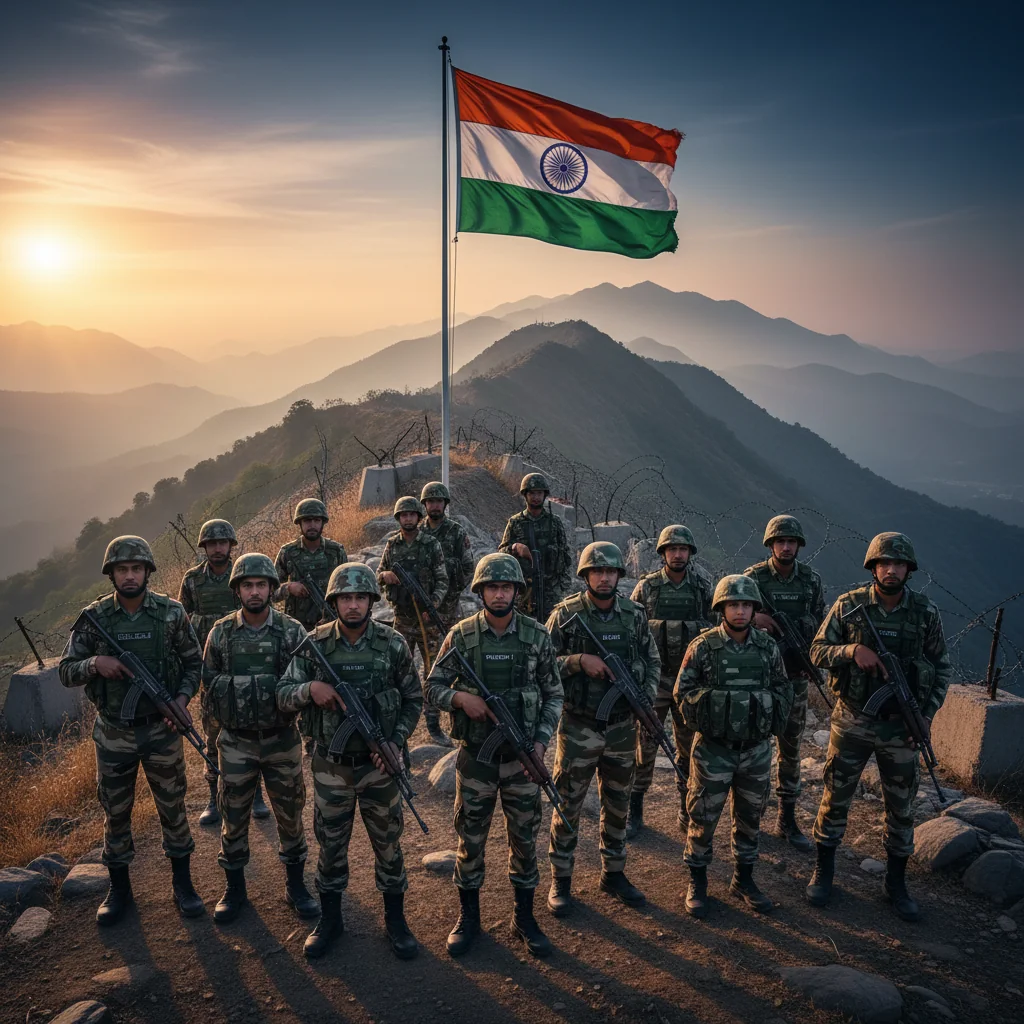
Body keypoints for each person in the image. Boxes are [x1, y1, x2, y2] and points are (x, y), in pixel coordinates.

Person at [278, 562, 423, 960]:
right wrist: (312, 688)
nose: (354, 605)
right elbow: (283, 693)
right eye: (346, 598)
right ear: (335, 601)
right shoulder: (315, 644)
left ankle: (396, 921)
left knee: (388, 843)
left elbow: (414, 698)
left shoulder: (391, 644)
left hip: (381, 766)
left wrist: (395, 741)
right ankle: (330, 920)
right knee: (330, 843)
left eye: (361, 597)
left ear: (372, 601)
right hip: (332, 765)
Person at [58, 535, 204, 924]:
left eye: (136, 569)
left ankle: (183, 885)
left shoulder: (171, 613)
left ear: (147, 572)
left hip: (161, 729)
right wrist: (95, 665)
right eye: (122, 570)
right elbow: (65, 671)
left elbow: (194, 665)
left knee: (173, 807)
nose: (129, 576)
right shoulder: (95, 619)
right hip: (114, 733)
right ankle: (119, 889)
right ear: (112, 575)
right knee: (115, 811)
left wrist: (181, 702)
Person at [424, 553, 563, 959]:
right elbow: (431, 687)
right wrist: (459, 698)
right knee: (470, 838)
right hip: (476, 761)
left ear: (517, 592)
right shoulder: (461, 636)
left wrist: (539, 742)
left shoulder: (537, 636)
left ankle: (525, 918)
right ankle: (469, 918)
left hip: (522, 760)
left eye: (507, 588)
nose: (499, 594)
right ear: (481, 591)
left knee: (524, 839)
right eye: (492, 587)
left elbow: (554, 694)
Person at [807, 532, 952, 921]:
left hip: (899, 726)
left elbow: (941, 667)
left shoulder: (924, 612)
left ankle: (896, 882)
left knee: (901, 807)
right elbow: (817, 651)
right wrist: (852, 650)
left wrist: (926, 714)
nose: (891, 570)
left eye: (899, 564)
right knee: (835, 796)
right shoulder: (849, 605)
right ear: (873, 567)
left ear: (909, 570)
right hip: (853, 716)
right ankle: (824, 870)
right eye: (884, 563)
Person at [200, 553, 318, 924]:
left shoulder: (292, 631)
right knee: (233, 815)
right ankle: (234, 890)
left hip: (282, 738)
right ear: (237, 590)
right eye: (247, 586)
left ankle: (296, 886)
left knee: (290, 814)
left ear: (272, 588)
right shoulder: (220, 633)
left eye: (261, 585)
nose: (254, 592)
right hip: (235, 741)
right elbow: (208, 687)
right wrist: (215, 735)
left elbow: (307, 683)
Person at [544, 541, 660, 916]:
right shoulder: (565, 615)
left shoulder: (634, 614)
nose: (605, 577)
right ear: (586, 575)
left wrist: (644, 700)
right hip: (578, 725)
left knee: (618, 801)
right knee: (568, 804)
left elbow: (651, 660)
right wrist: (578, 661)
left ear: (619, 576)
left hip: (622, 726)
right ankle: (560, 879)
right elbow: (542, 666)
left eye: (611, 571)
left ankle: (614, 872)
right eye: (598, 571)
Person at [674, 574, 792, 918]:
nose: (739, 611)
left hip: (755, 749)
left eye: (745, 605)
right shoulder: (703, 646)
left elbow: (784, 688)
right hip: (714, 749)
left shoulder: (767, 647)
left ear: (754, 609)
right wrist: (720, 708)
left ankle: (744, 878)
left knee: (750, 816)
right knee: (703, 816)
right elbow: (683, 694)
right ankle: (698, 880)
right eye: (733, 605)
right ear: (721, 608)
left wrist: (764, 711)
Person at [743, 514, 826, 852]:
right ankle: (750, 816)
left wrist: (810, 660)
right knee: (755, 749)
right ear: (771, 545)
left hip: (795, 675)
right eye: (781, 541)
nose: (787, 546)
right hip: (759, 680)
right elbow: (727, 615)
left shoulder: (810, 580)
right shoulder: (752, 579)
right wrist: (756, 617)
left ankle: (786, 818)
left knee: (791, 749)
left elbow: (822, 625)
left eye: (792, 542)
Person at [627, 524, 713, 838]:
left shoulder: (702, 588)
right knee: (644, 747)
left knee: (689, 748)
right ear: (663, 553)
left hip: (689, 681)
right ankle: (634, 810)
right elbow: (633, 634)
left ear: (689, 553)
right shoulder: (647, 588)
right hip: (656, 681)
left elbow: (714, 633)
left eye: (683, 549)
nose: (677, 554)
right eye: (672, 549)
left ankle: (685, 806)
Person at [179, 518, 265, 826]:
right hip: (210, 667)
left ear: (231, 545)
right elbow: (183, 622)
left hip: (244, 664)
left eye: (222, 543)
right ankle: (214, 798)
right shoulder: (191, 580)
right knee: (213, 733)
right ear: (204, 547)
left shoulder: (241, 575)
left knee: (253, 729)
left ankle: (256, 794)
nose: (218, 548)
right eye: (212, 543)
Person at [419, 480, 476, 748]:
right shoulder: (416, 533)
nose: (434, 505)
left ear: (445, 504)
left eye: (439, 501)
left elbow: (468, 567)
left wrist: (451, 595)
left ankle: (435, 724)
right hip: (415, 614)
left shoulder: (456, 532)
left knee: (439, 668)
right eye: (430, 501)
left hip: (446, 612)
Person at [377, 495, 448, 692]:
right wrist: (385, 574)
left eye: (411, 515)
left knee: (433, 672)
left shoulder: (431, 544)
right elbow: (377, 576)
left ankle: (432, 717)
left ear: (418, 517)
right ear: (398, 518)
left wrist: (433, 603)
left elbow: (442, 579)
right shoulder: (392, 545)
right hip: (402, 620)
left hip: (427, 620)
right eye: (404, 515)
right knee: (398, 670)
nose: (408, 519)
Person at [498, 473, 573, 623]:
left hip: (550, 589)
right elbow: (501, 554)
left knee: (553, 628)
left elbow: (565, 556)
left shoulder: (555, 523)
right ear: (525, 495)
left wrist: (563, 588)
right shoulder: (516, 522)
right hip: (524, 589)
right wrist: (514, 547)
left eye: (539, 493)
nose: (536, 497)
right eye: (532, 493)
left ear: (544, 495)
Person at [273, 498, 348, 631]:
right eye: (307, 520)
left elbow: (348, 589)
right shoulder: (288, 552)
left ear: (322, 522)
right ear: (300, 523)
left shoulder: (336, 551)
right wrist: (288, 588)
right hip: (296, 628)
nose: (312, 525)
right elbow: (270, 592)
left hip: (332, 625)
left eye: (317, 520)